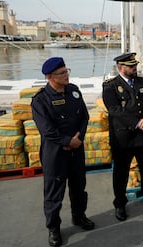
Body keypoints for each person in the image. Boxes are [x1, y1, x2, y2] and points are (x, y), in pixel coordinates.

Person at [31, 57, 95, 247]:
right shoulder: (40, 100)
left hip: (76, 150)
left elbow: (84, 116)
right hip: (55, 154)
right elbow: (47, 130)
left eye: (67, 71)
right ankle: (54, 228)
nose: (66, 75)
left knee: (78, 186)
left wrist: (78, 139)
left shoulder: (74, 91)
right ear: (50, 76)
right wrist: (68, 141)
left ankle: (79, 216)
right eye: (62, 73)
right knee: (54, 193)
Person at [102, 52, 143, 222]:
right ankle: (120, 203)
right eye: (131, 66)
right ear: (120, 68)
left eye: (135, 65)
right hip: (123, 138)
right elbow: (114, 110)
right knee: (121, 173)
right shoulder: (110, 86)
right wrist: (138, 122)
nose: (134, 68)